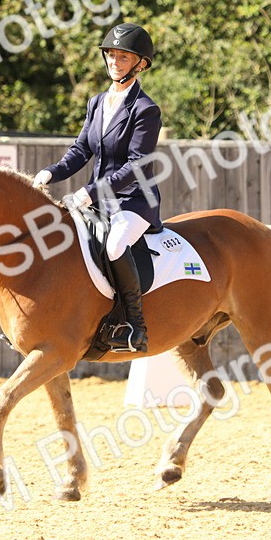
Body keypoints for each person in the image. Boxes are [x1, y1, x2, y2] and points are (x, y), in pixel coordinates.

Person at [33, 22, 163, 353]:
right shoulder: (97, 103)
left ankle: (134, 325)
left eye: (123, 56)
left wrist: (89, 192)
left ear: (140, 64)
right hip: (98, 201)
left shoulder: (145, 110)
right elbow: (81, 150)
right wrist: (50, 173)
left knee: (115, 245)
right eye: (111, 55)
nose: (114, 61)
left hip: (134, 201)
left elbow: (136, 166)